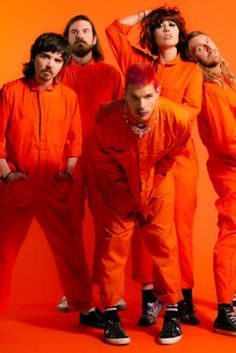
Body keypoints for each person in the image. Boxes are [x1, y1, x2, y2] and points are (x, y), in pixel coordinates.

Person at [105, 6, 202, 326]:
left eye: (173, 25)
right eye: (160, 26)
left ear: (180, 33)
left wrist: (156, 107)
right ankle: (151, 299)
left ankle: (182, 298)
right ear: (151, 32)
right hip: (140, 160)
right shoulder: (138, 65)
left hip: (179, 160)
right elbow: (113, 31)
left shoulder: (190, 70)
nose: (167, 30)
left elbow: (190, 112)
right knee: (144, 230)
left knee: (179, 229)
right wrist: (147, 13)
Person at [91, 63, 190, 345]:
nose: (141, 104)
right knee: (112, 248)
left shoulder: (177, 118)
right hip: (119, 189)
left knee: (165, 245)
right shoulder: (106, 117)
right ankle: (111, 316)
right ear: (125, 94)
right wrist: (126, 194)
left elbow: (175, 153)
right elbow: (104, 160)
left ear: (158, 92)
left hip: (159, 187)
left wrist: (155, 183)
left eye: (147, 96)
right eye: (134, 97)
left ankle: (171, 312)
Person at [0, 33, 92, 314]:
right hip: (18, 185)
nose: (50, 64)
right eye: (45, 56)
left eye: (57, 59)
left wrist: (68, 174)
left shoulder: (68, 97)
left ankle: (84, 306)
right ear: (34, 57)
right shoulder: (10, 91)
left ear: (63, 64)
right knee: (3, 252)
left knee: (70, 250)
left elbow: (75, 140)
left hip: (54, 185)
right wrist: (6, 175)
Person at [56, 15, 125, 320]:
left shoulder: (110, 74)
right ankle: (74, 290)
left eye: (86, 31)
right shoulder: (55, 74)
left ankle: (110, 290)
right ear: (67, 38)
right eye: (74, 32)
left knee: (108, 226)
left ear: (95, 39)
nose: (80, 36)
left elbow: (125, 116)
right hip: (65, 159)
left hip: (102, 158)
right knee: (67, 226)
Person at [187, 31, 236, 336]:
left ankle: (232, 296)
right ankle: (224, 311)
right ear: (195, 59)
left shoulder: (227, 81)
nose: (208, 47)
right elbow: (226, 139)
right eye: (199, 48)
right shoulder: (210, 89)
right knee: (231, 233)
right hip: (230, 169)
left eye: (208, 41)